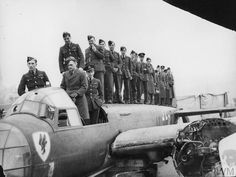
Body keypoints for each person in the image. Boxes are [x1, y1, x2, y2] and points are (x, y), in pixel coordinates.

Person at [60, 57, 89, 122]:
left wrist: (77, 93)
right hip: (69, 99)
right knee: (70, 119)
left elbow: (84, 86)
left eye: (71, 65)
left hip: (79, 99)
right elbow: (62, 86)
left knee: (82, 119)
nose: (69, 67)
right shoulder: (65, 74)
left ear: (76, 63)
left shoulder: (81, 73)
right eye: (68, 65)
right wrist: (62, 94)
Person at [101, 39, 114, 103]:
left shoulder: (108, 52)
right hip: (102, 69)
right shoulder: (98, 51)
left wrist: (111, 66)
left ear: (105, 45)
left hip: (108, 70)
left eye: (103, 44)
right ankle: (104, 98)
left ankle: (110, 99)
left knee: (109, 85)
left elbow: (113, 60)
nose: (102, 45)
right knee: (103, 84)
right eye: (100, 44)